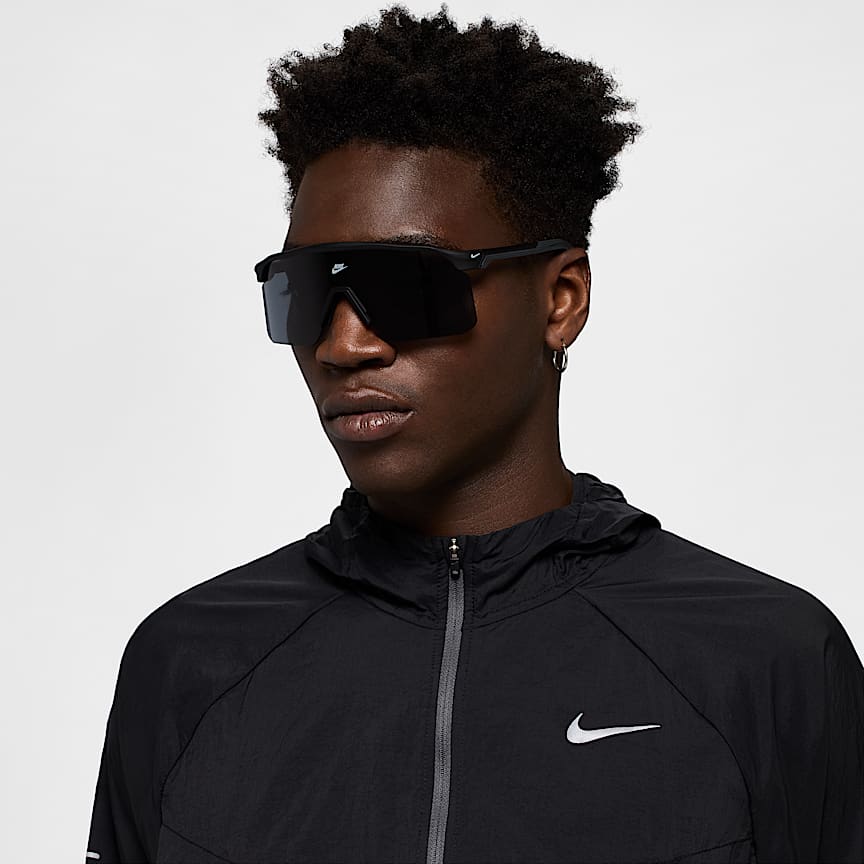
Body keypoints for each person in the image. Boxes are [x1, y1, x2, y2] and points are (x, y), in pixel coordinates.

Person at [85, 5, 863, 863]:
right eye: (305, 292)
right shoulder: (189, 661)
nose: (345, 345)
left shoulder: (767, 661)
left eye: (409, 286)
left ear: (561, 299)